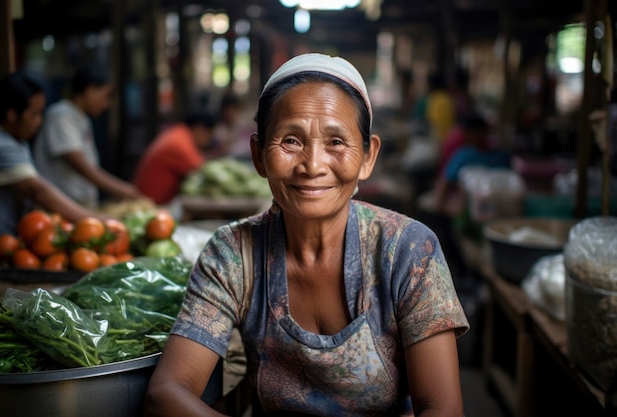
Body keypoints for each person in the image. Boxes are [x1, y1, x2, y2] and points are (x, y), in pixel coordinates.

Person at [144, 53, 469, 416]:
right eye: (291, 141)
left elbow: (442, 409)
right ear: (258, 155)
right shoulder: (234, 253)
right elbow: (168, 391)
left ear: (367, 157)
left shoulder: (408, 251)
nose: (313, 166)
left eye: (336, 142)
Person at [0, 71, 109, 255]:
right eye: (35, 114)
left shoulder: (17, 141)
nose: (39, 122)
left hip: (10, 243)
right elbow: (37, 191)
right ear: (11, 115)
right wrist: (96, 220)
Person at [33, 64, 143, 208]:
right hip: (62, 209)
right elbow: (81, 166)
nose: (107, 104)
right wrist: (122, 190)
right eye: (106, 95)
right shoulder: (61, 116)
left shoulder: (81, 118)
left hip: (80, 206)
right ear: (90, 90)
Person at [433, 112, 511, 214]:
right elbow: (446, 181)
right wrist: (440, 205)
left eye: (474, 132)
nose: (469, 135)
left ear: (485, 131)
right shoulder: (464, 155)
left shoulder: (501, 156)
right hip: (468, 209)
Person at [132, 111, 217, 205]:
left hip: (151, 201)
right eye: (210, 134)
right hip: (149, 205)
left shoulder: (179, 133)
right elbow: (204, 171)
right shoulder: (180, 142)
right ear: (200, 128)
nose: (210, 140)